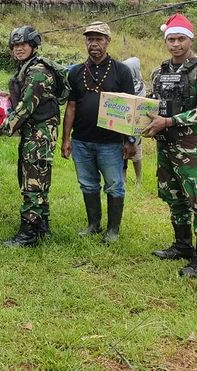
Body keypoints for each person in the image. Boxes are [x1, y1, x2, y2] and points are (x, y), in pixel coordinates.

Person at [143, 13, 197, 278]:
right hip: (165, 145)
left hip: (192, 147)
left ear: (190, 39)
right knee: (174, 197)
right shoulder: (159, 72)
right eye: (171, 39)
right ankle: (182, 245)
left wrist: (169, 121)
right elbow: (149, 104)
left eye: (180, 39)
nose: (175, 44)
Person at [0, 26, 66, 247]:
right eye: (15, 45)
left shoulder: (38, 71)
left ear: (33, 46)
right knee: (37, 179)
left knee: (33, 181)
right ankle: (42, 227)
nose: (18, 49)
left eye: (23, 45)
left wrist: (2, 130)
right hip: (34, 131)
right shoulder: (27, 68)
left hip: (39, 134)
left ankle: (27, 234)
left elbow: (26, 107)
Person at [61, 21, 135, 244]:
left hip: (111, 142)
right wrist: (66, 139)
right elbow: (71, 106)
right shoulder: (75, 72)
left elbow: (131, 108)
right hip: (82, 140)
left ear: (107, 42)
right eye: (90, 39)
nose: (94, 44)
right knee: (88, 183)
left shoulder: (121, 71)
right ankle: (93, 224)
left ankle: (113, 229)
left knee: (114, 184)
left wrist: (130, 140)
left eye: (99, 39)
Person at [123, 57, 145, 186]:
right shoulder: (123, 82)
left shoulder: (140, 86)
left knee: (136, 151)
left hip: (136, 126)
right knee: (122, 153)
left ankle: (138, 180)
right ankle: (123, 178)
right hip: (122, 124)